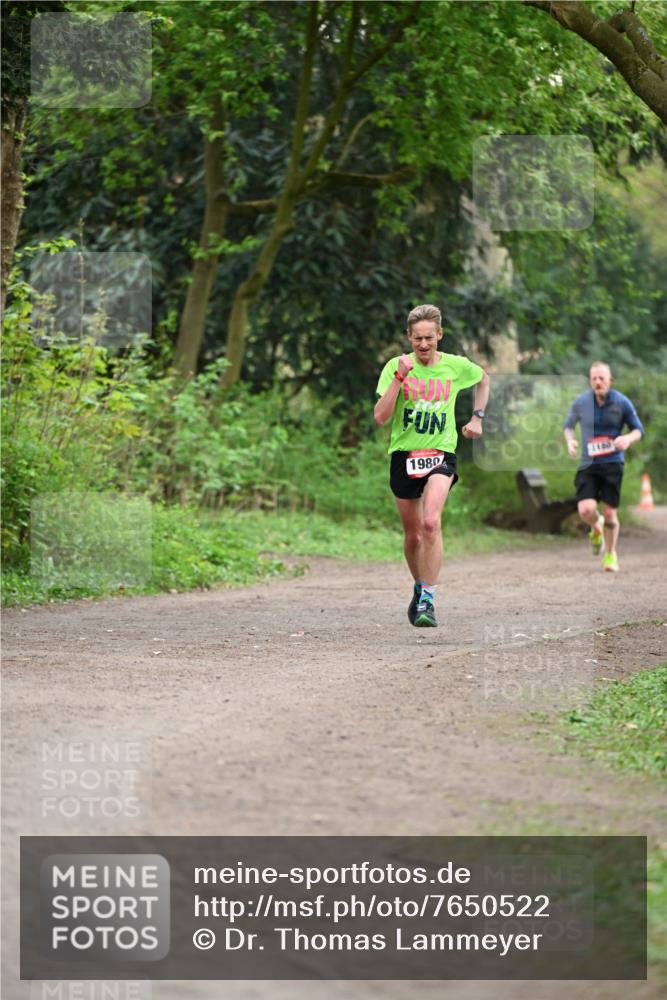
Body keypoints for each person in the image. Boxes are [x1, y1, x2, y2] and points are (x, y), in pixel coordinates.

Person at [374, 304, 490, 627]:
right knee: (413, 536)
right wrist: (399, 377)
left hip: (441, 452)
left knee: (430, 522)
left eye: (429, 337)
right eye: (417, 339)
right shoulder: (395, 367)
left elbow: (483, 379)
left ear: (439, 334)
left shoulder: (455, 366)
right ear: (409, 337)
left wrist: (477, 419)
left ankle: (427, 599)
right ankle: (419, 585)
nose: (424, 344)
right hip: (404, 455)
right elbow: (380, 417)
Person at [563, 361, 644, 573]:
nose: (598, 382)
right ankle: (595, 525)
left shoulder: (622, 402)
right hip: (588, 463)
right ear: (590, 381)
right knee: (585, 510)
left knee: (610, 512)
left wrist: (628, 439)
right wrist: (570, 441)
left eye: (602, 378)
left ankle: (610, 554)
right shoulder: (582, 402)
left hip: (612, 463)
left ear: (610, 380)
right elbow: (568, 426)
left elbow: (638, 429)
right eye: (594, 379)